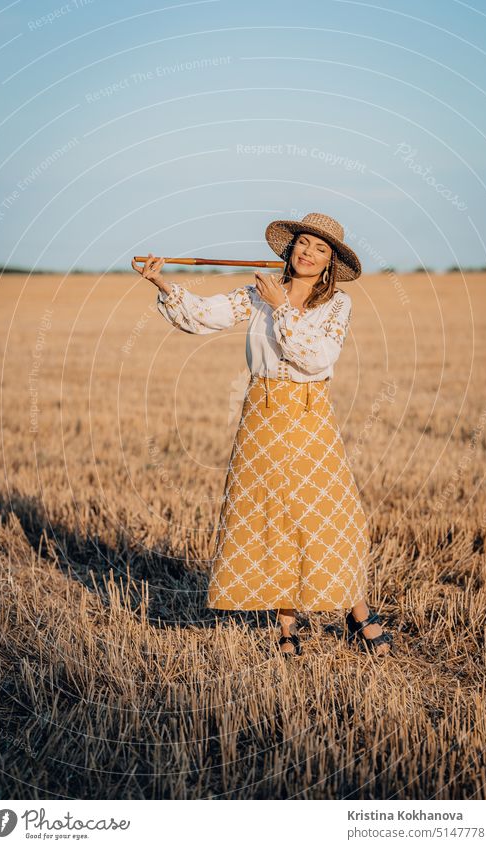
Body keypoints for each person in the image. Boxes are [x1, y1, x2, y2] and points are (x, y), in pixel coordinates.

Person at [132, 212, 392, 658]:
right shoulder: (256, 294)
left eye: (320, 249)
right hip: (262, 415)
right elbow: (203, 316)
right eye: (304, 243)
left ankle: (358, 612)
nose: (309, 253)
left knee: (328, 513)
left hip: (310, 414)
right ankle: (286, 626)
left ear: (330, 262)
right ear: (291, 248)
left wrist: (281, 307)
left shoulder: (337, 305)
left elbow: (316, 356)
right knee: (273, 517)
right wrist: (162, 283)